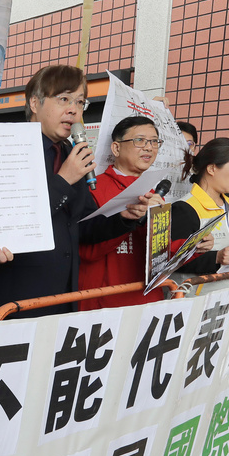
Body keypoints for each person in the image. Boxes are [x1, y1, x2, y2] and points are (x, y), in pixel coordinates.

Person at [0, 65, 153, 317]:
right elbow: (6, 224)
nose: (74, 109)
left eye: (80, 101)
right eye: (63, 99)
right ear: (35, 103)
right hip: (17, 296)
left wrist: (125, 219)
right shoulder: (5, 146)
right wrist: (64, 180)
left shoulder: (69, 155)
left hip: (65, 296)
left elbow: (83, 226)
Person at [79, 116, 166, 310]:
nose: (149, 147)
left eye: (154, 141)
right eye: (140, 140)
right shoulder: (93, 187)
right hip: (105, 300)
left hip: (148, 299)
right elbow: (86, 250)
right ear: (116, 148)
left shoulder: (154, 195)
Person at [170, 138, 229, 291]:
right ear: (212, 169)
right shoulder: (184, 208)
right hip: (196, 300)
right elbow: (172, 261)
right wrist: (216, 258)